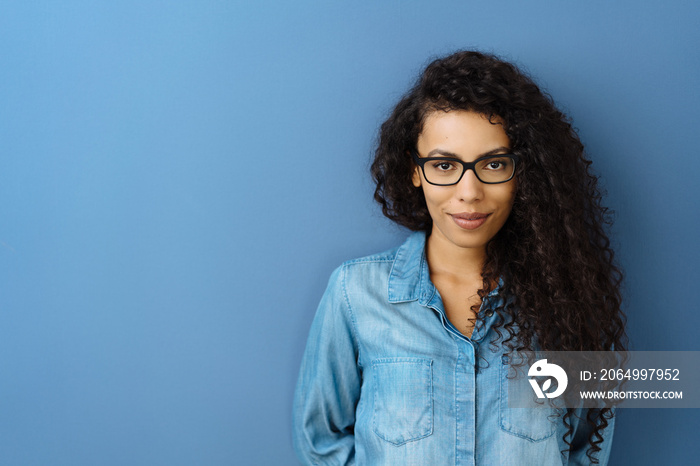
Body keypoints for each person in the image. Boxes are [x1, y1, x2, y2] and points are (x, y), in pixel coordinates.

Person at [292, 50, 626, 465]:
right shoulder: (355, 294)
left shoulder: (572, 304)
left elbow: (584, 450)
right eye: (445, 165)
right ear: (415, 171)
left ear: (524, 173)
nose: (469, 192)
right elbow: (320, 440)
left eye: (495, 163)